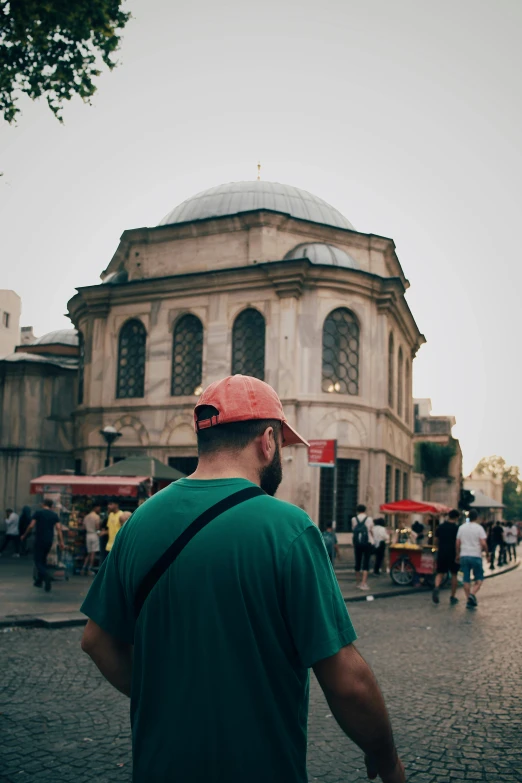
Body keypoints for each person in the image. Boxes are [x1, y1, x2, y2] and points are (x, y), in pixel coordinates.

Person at [81, 375, 405, 783]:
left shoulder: (139, 521)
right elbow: (347, 682)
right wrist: (386, 756)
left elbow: (95, 640)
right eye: (283, 446)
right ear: (267, 441)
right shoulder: (289, 528)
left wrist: (164, 700)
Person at [21, 499, 64, 591]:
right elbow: (58, 529)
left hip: (39, 539)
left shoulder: (38, 513)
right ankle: (39, 581)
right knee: (43, 559)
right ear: (51, 506)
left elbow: (31, 525)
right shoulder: (54, 515)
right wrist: (61, 542)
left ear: (43, 504)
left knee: (38, 561)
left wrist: (25, 535)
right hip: (49, 540)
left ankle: (46, 576)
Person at [456, 509, 487, 609]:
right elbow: (483, 543)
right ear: (477, 517)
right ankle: (472, 594)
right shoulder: (479, 528)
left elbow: (457, 542)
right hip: (475, 555)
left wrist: (457, 553)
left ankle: (468, 599)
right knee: (479, 578)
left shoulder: (461, 528)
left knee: (466, 579)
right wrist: (487, 553)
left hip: (464, 554)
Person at [432, 509, 460, 606]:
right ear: (456, 518)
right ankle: (452, 596)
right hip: (452, 553)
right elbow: (458, 542)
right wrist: (458, 554)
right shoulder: (457, 528)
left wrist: (436, 548)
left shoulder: (441, 527)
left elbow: (436, 540)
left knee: (440, 573)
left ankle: (436, 587)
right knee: (454, 574)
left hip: (442, 552)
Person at [351, 503, 374, 590]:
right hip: (367, 542)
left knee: (358, 561)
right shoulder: (369, 519)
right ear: (365, 510)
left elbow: (354, 529)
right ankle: (363, 583)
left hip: (357, 543)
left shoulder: (354, 519)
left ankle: (357, 582)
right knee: (366, 562)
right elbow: (371, 530)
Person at [82, 505, 101, 576]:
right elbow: (97, 527)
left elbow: (83, 527)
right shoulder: (96, 517)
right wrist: (99, 532)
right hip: (94, 534)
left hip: (88, 535)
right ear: (95, 508)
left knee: (89, 552)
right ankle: (90, 568)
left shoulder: (86, 516)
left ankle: (83, 568)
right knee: (93, 553)